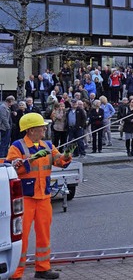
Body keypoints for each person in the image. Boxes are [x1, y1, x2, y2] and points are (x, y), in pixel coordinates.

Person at [6, 113, 72, 279]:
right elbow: (12, 168)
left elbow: (59, 161)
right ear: (31, 130)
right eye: (41, 126)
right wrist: (27, 160)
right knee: (22, 237)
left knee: (44, 235)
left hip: (43, 198)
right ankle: (16, 273)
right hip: (25, 200)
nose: (44, 128)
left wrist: (66, 156)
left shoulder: (48, 145)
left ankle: (43, 269)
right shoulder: (17, 147)